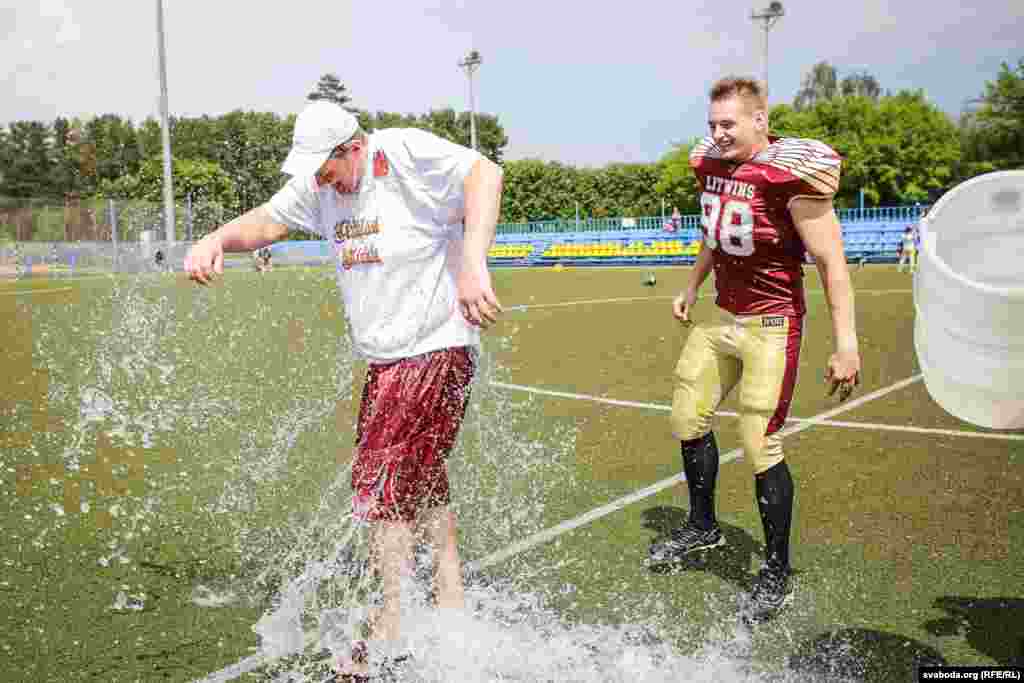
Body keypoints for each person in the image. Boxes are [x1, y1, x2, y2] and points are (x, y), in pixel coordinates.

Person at [182, 100, 504, 679]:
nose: (319, 179)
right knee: (422, 482)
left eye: (325, 167)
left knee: (383, 486)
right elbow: (269, 222)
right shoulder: (322, 185)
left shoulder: (400, 153)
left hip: (433, 347)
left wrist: (473, 264)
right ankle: (451, 605)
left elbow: (485, 173)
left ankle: (390, 626)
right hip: (390, 361)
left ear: (353, 149)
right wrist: (216, 239)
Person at [648, 77, 861, 623]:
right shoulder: (711, 166)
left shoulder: (791, 175)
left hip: (772, 323)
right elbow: (715, 232)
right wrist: (693, 283)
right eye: (712, 125)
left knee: (759, 440)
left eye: (729, 124)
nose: (717, 134)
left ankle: (776, 570)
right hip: (723, 315)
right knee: (686, 417)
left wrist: (847, 343)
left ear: (761, 120)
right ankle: (703, 527)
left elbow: (832, 262)